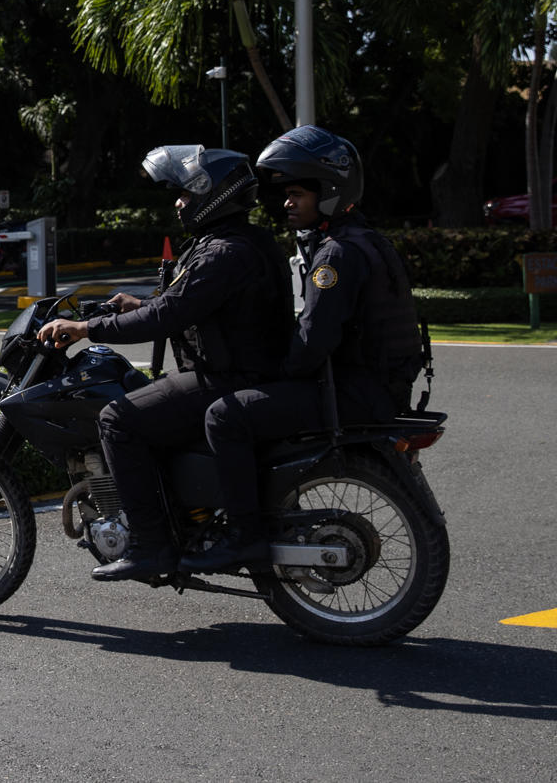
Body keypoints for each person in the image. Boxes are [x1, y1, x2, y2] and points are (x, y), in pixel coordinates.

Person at [38, 145, 290, 581]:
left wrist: (86, 329)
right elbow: (187, 304)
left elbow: (168, 316)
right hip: (241, 372)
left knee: (118, 418)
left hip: (226, 379)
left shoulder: (221, 253)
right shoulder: (244, 242)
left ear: (213, 195)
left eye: (186, 196)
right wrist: (133, 304)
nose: (179, 203)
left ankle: (150, 547)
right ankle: (185, 520)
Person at [183, 125, 422, 574]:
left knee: (225, 414)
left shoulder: (334, 257)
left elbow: (312, 342)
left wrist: (271, 371)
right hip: (380, 387)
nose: (288, 203)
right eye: (287, 194)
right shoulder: (367, 240)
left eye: (298, 194)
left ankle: (243, 536)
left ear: (328, 193)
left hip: (353, 393)